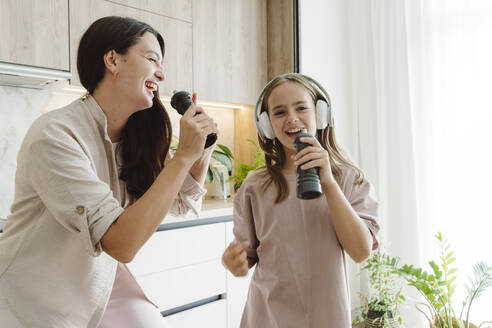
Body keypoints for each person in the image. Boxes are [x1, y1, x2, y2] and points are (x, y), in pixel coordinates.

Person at [0, 16, 217, 327]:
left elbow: (178, 202)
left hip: (97, 281)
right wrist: (183, 157)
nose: (162, 72)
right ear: (113, 60)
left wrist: (201, 150)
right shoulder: (56, 134)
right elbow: (121, 242)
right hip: (33, 299)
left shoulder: (136, 135)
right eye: (152, 58)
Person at [222, 73, 380, 327]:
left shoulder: (349, 179)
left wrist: (328, 182)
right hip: (267, 317)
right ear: (266, 125)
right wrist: (235, 262)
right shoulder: (254, 186)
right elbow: (248, 255)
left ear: (321, 114)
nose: (292, 118)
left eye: (301, 108)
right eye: (280, 112)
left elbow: (361, 251)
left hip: (326, 316)